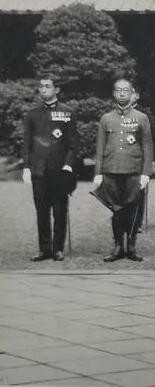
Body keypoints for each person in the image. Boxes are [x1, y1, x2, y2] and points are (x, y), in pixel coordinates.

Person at [94, 78, 153, 262]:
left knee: (134, 210)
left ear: (131, 93)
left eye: (125, 90)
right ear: (113, 93)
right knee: (117, 210)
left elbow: (147, 147)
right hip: (111, 170)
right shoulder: (106, 119)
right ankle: (118, 246)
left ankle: (132, 246)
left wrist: (146, 173)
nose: (121, 93)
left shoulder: (141, 118)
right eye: (118, 90)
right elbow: (100, 147)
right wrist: (98, 173)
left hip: (133, 171)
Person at [21, 76, 77, 262]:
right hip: (39, 170)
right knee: (41, 211)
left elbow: (72, 144)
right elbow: (27, 143)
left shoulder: (68, 112)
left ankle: (58, 248)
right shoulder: (32, 114)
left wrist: (68, 165)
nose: (43, 90)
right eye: (41, 86)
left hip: (59, 171)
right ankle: (44, 249)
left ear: (57, 89)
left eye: (47, 86)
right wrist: (27, 167)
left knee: (60, 210)